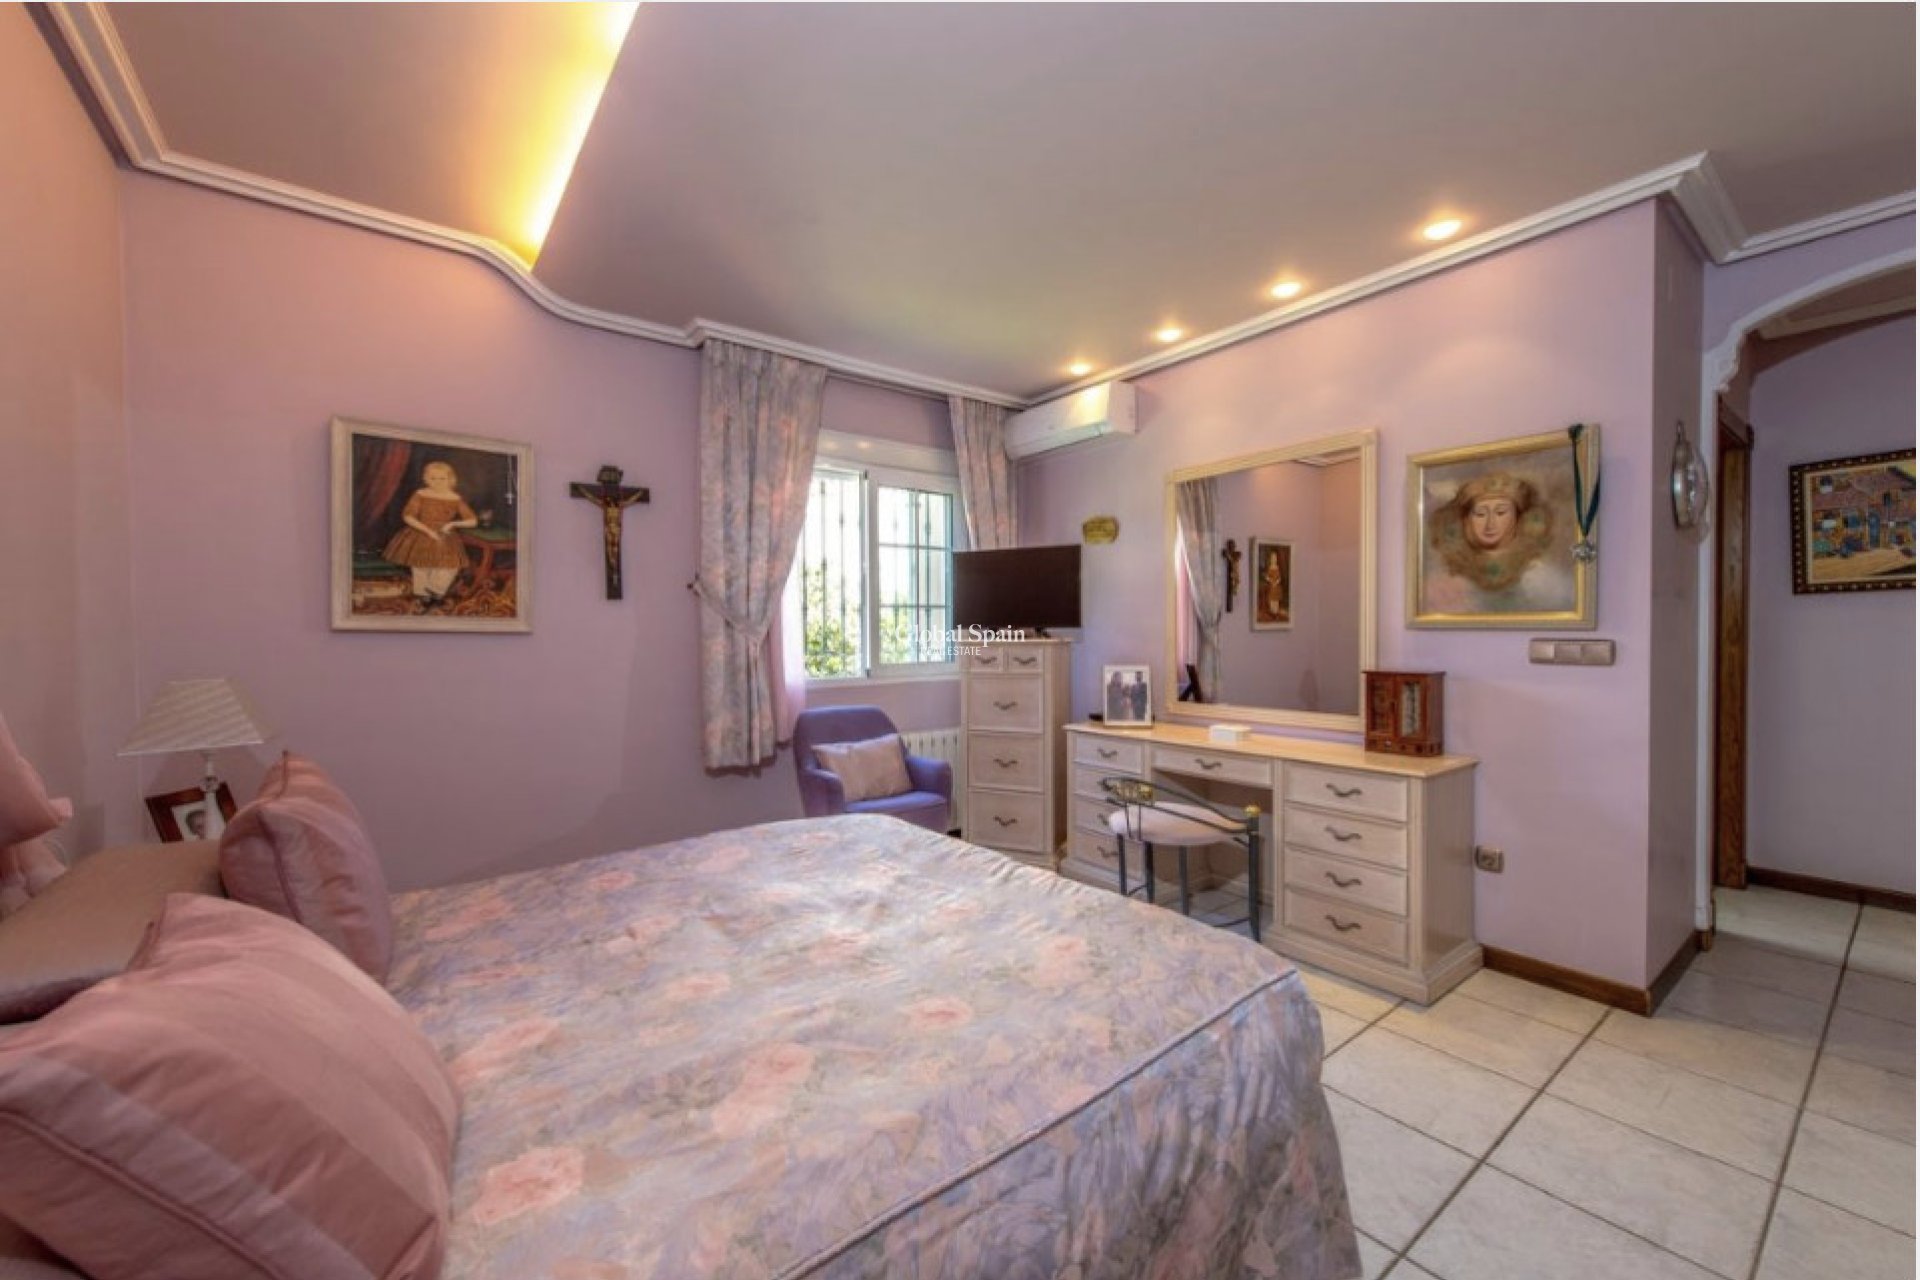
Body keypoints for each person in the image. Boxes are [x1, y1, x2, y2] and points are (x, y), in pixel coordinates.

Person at [1430, 471, 1552, 593]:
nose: (1490, 524)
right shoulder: (1448, 577)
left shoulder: (1538, 576)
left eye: (1501, 512)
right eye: (1480, 514)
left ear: (1518, 519)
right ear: (1466, 520)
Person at [381, 460, 479, 608]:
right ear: (426, 479)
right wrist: (427, 531)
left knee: (449, 566)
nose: (437, 482)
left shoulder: (455, 498)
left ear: (450, 480)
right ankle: (422, 595)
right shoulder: (420, 494)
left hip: (445, 536)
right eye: (433, 478)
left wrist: (452, 524)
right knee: (421, 565)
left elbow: (473, 520)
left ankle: (436, 591)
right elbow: (408, 516)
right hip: (420, 532)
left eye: (442, 478)